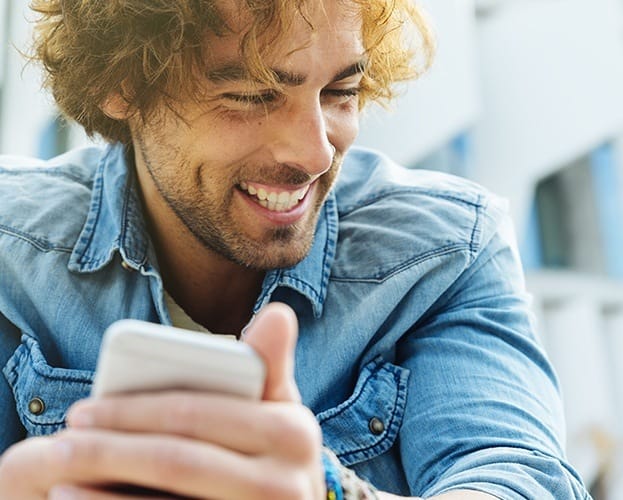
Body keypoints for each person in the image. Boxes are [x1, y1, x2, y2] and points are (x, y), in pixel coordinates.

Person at [0, 0, 591, 498]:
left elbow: (517, 480)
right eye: (254, 94)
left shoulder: (446, 250)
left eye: (342, 90)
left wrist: (328, 490)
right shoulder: (10, 251)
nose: (315, 154)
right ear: (120, 84)